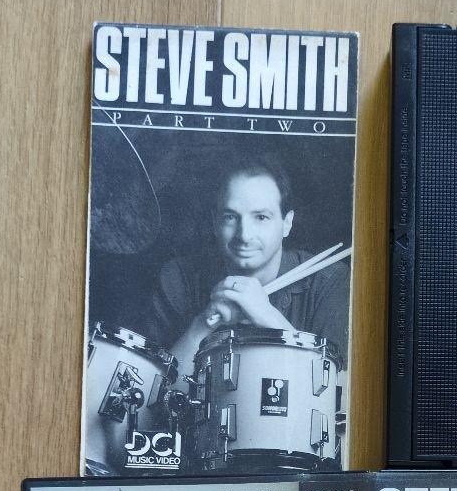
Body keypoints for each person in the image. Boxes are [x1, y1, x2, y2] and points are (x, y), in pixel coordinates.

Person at [147, 158, 350, 375]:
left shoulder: (329, 281)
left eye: (261, 217)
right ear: (215, 222)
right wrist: (203, 325)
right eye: (230, 217)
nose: (244, 235)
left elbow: (336, 389)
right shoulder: (178, 278)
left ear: (286, 223)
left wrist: (267, 316)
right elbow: (152, 388)